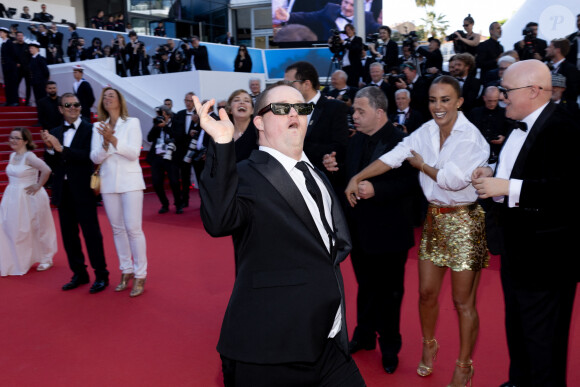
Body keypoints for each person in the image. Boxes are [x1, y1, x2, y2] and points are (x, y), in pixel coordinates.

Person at [194, 82, 365, 387]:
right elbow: (219, 221)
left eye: (301, 108)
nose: (294, 114)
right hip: (270, 349)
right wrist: (222, 143)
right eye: (282, 108)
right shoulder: (246, 173)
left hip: (327, 341)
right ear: (259, 121)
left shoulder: (317, 175)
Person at [346, 75, 490, 387]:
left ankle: (464, 364)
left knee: (462, 301)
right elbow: (392, 158)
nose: (438, 106)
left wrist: (421, 165)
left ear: (460, 102)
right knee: (426, 294)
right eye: (433, 100)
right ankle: (429, 345)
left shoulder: (471, 137)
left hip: (465, 221)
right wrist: (356, 177)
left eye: (446, 100)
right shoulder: (426, 130)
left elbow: (451, 180)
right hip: (434, 219)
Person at [472, 60, 579, 387]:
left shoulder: (565, 126)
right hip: (517, 247)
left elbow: (570, 192)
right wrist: (493, 171)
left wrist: (509, 187)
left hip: (548, 256)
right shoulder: (521, 122)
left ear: (534, 91)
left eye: (508, 91)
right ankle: (519, 380)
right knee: (518, 326)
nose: (502, 97)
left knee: (544, 337)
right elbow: (523, 167)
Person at [324, 86, 419, 374]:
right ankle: (364, 336)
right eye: (354, 110)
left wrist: (377, 189)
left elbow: (411, 185)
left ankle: (390, 346)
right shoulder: (355, 142)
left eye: (359, 111)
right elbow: (349, 179)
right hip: (359, 232)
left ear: (379, 112)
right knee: (365, 287)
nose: (354, 116)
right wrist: (334, 168)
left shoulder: (401, 142)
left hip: (389, 233)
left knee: (389, 293)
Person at [42, 93, 109, 293]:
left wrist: (60, 148)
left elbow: (89, 157)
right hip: (63, 192)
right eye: (68, 105)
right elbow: (52, 164)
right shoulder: (54, 131)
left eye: (76, 104)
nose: (73, 107)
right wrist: (51, 150)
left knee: (92, 235)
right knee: (69, 236)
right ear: (61, 109)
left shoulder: (92, 129)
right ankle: (79, 273)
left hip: (83, 191)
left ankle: (101, 275)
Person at [90, 87, 148, 297]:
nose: (107, 99)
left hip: (131, 181)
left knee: (133, 228)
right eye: (104, 97)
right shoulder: (97, 126)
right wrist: (105, 142)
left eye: (111, 96)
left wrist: (113, 140)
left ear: (119, 100)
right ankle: (126, 270)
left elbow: (133, 153)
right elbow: (95, 158)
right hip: (108, 183)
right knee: (117, 229)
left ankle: (141, 273)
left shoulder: (132, 122)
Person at [284, 61, 349, 192]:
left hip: (324, 184)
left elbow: (340, 147)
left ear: (307, 84)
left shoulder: (335, 108)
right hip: (292, 185)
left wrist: (299, 146)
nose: (286, 88)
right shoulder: (285, 110)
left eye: (290, 84)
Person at [0, 128, 56, 276]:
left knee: (37, 227)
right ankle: (16, 260)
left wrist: (38, 185)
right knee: (12, 228)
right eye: (11, 137)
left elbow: (46, 170)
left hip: (29, 197)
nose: (12, 140)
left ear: (25, 141)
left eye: (17, 138)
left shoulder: (29, 156)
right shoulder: (12, 155)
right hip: (12, 197)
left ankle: (46, 258)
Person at [275, 0, 380, 42]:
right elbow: (308, 17)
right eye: (345, 2)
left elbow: (378, 29)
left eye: (352, 5)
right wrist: (287, 16)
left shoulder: (367, 17)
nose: (347, 7)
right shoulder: (330, 9)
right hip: (329, 54)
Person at [145, 105, 183, 214]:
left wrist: (165, 126)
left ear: (168, 115)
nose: (159, 116)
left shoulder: (177, 123)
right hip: (157, 157)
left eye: (162, 114)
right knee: (156, 183)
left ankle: (178, 204)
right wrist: (156, 126)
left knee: (174, 182)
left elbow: (178, 137)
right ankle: (164, 204)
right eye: (158, 114)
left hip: (171, 157)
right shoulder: (157, 124)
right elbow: (149, 138)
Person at [173, 92, 206, 206]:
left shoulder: (201, 114)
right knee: (184, 176)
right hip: (183, 151)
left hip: (196, 152)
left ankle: (204, 202)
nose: (188, 103)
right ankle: (185, 201)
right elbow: (176, 133)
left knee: (200, 176)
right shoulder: (179, 114)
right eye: (186, 100)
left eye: (190, 101)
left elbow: (204, 132)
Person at [468, 86, 509, 164]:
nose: (492, 104)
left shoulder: (505, 114)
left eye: (495, 101)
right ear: (484, 98)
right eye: (489, 101)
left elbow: (510, 133)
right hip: (475, 155)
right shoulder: (475, 113)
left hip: (497, 156)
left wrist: (504, 138)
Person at [546, 38, 579, 111]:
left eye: (549, 47)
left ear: (557, 50)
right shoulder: (547, 67)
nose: (546, 49)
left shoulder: (570, 69)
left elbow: (573, 92)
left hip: (563, 111)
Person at [226, 89, 258, 162]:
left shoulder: (260, 132)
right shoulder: (223, 134)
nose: (242, 102)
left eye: (247, 101)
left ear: (252, 110)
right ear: (230, 109)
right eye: (237, 100)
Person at [1, 27, 19, 107]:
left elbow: (15, 54)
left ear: (6, 33)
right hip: (5, 68)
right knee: (7, 85)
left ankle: (15, 101)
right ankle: (9, 101)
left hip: (11, 68)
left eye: (2, 32)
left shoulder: (10, 42)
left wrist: (12, 65)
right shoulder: (3, 43)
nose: (0, 33)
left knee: (12, 85)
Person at [14, 31, 31, 106]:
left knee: (28, 86)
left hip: (27, 70)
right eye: (18, 35)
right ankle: (16, 101)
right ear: (16, 37)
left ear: (23, 36)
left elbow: (30, 58)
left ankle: (27, 102)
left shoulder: (27, 46)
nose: (20, 37)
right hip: (18, 70)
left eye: (21, 35)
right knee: (16, 85)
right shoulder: (14, 46)